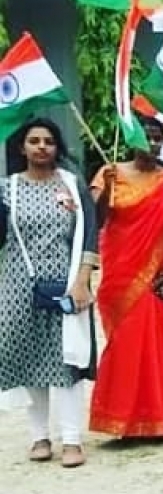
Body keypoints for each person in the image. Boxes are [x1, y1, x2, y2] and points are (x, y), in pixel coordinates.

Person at [0, 118, 98, 467]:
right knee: (30, 358)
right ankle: (39, 436)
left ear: (57, 147)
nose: (41, 146)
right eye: (34, 141)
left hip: (67, 283)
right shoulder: (7, 188)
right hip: (18, 285)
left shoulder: (72, 184)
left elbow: (89, 233)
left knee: (67, 359)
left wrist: (82, 280)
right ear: (22, 148)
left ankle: (72, 440)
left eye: (48, 141)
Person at [89, 115, 163, 441]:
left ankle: (158, 421)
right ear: (133, 140)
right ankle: (121, 422)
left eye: (157, 137)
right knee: (123, 348)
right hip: (120, 276)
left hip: (159, 275)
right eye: (146, 136)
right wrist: (108, 188)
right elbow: (96, 220)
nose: (152, 142)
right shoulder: (109, 173)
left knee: (156, 348)